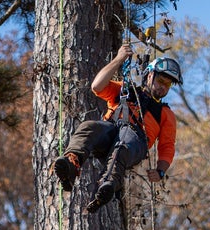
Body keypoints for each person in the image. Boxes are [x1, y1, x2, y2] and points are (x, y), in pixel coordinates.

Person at [54, 44, 183, 213]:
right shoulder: (126, 91)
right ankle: (71, 163)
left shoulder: (165, 114)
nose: (163, 87)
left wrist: (160, 171)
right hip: (111, 131)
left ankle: (107, 185)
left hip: (134, 144)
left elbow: (167, 145)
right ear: (149, 75)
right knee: (89, 127)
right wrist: (119, 58)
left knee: (123, 143)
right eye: (161, 81)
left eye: (168, 84)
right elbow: (97, 86)